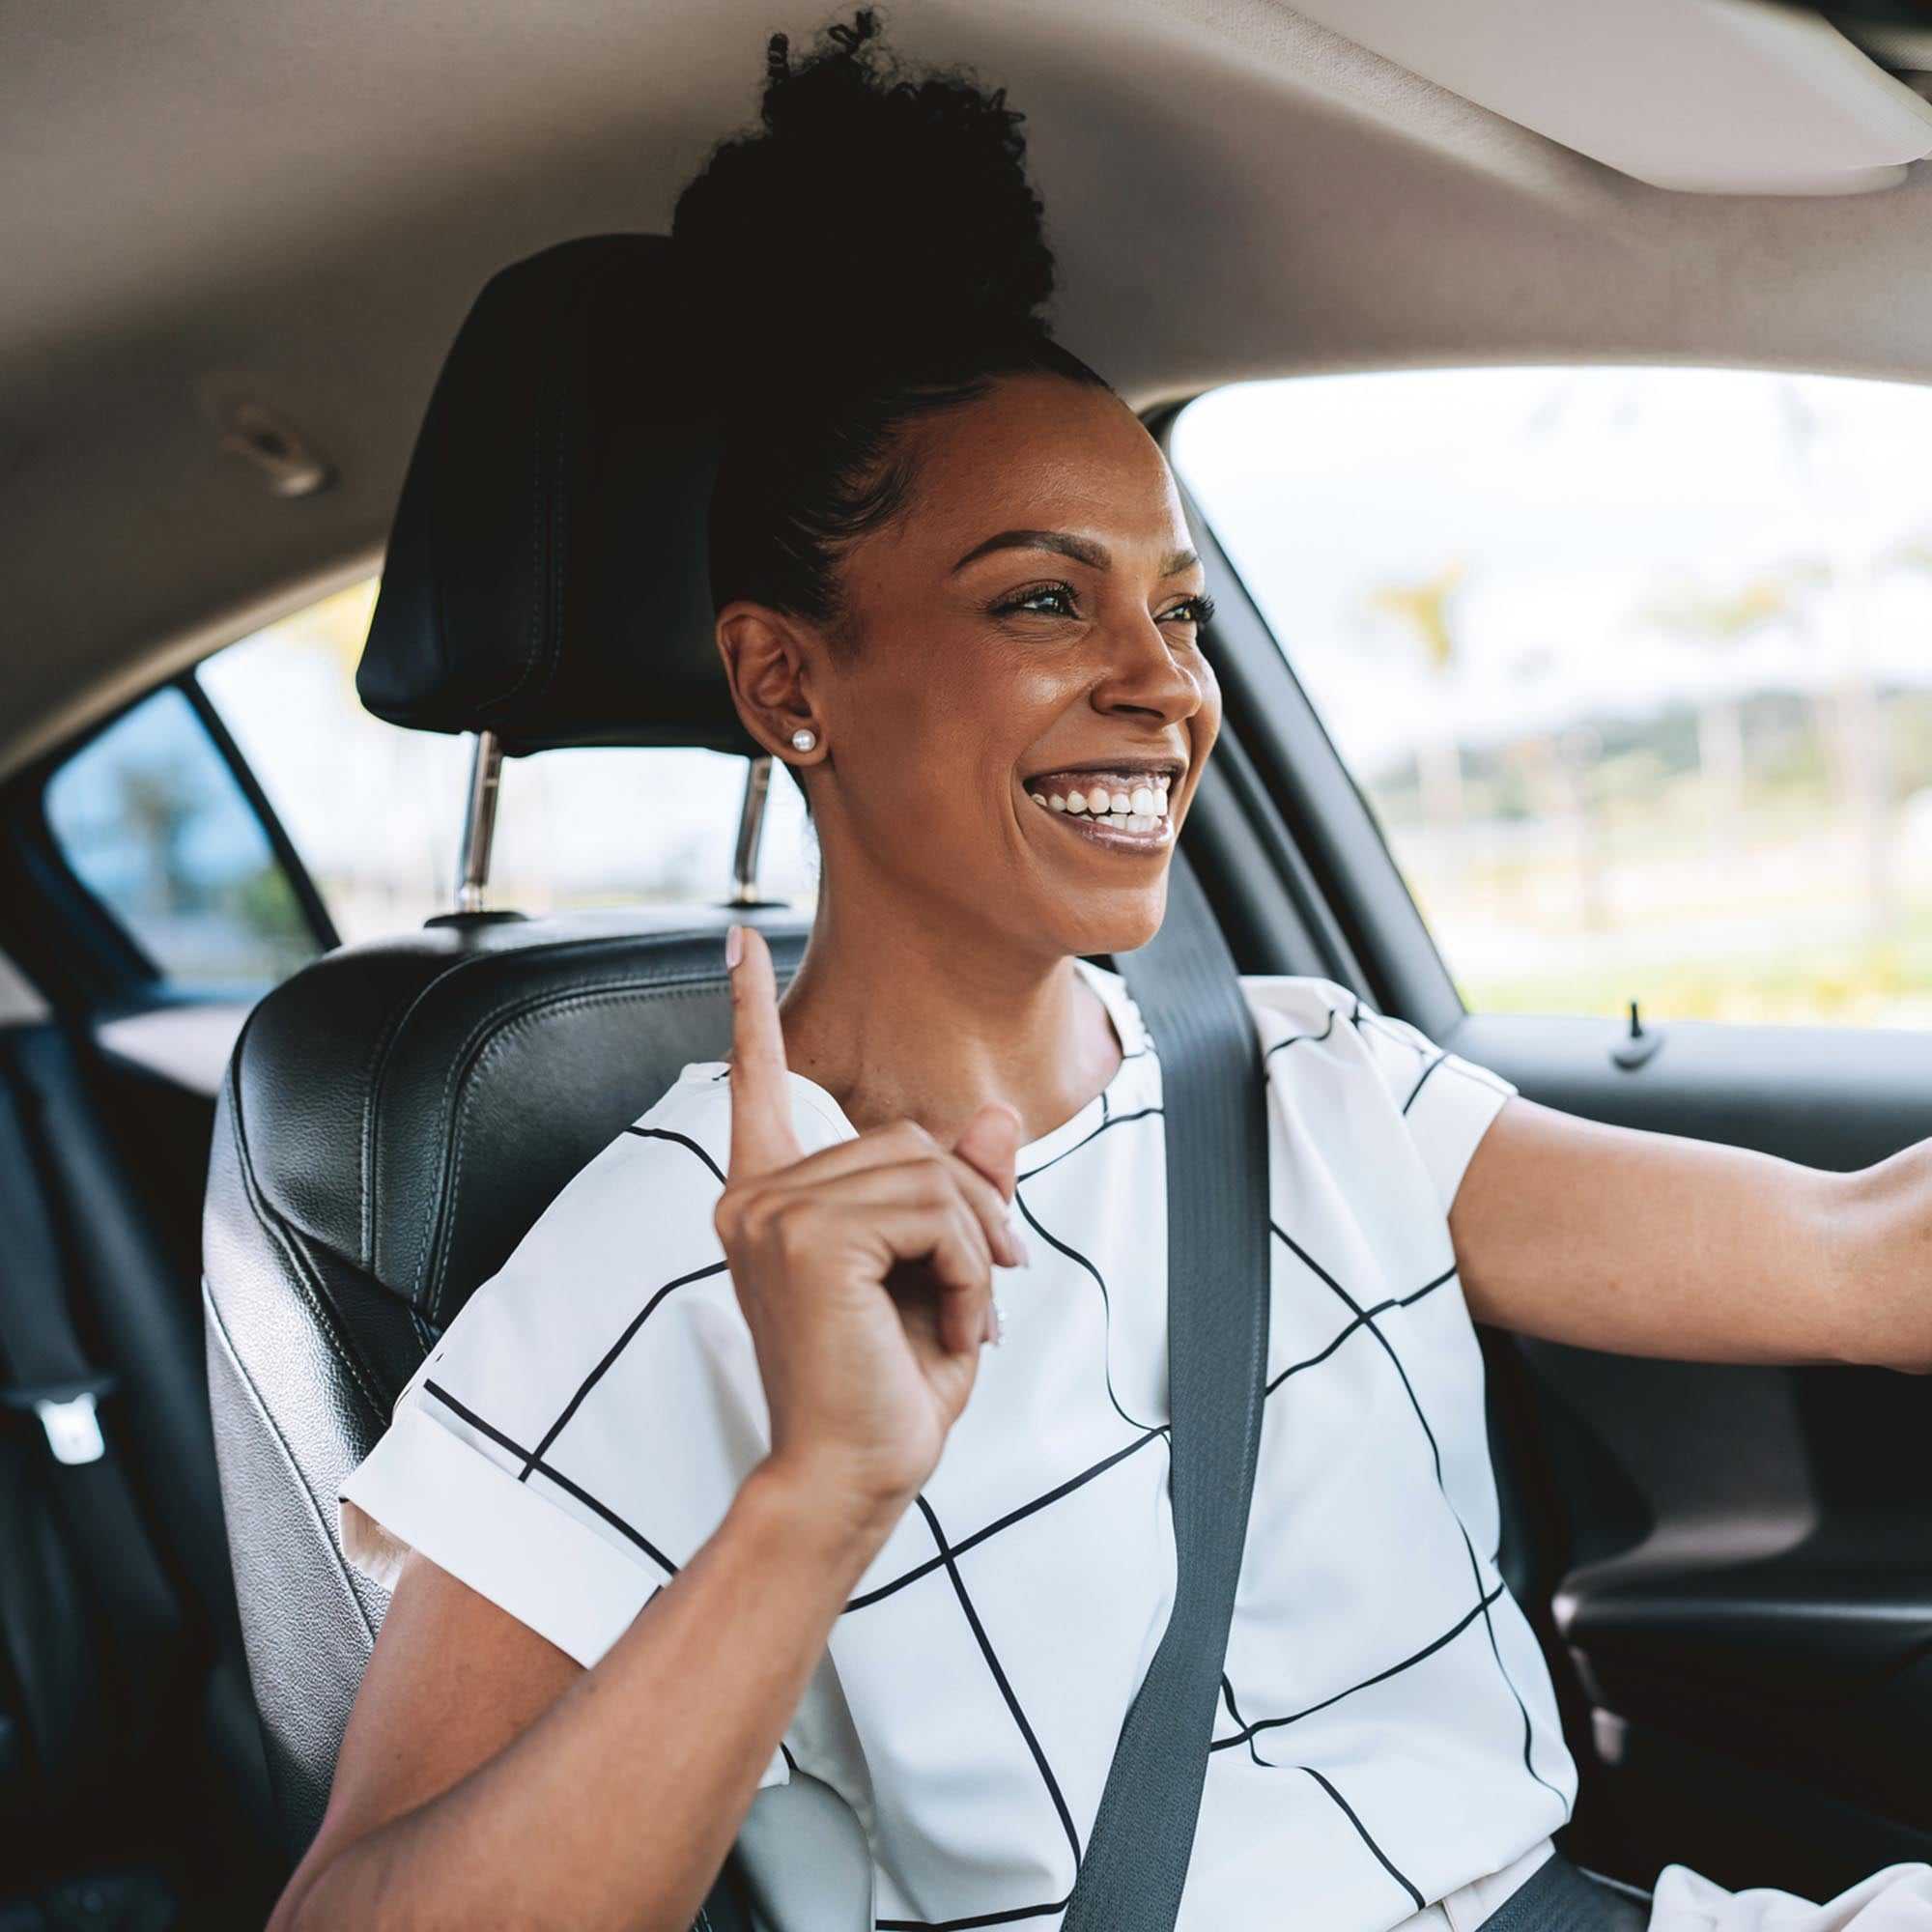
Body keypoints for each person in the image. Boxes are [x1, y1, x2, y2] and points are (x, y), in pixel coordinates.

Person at [267, 14, 1932, 1930]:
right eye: (1044, 599)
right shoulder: (665, 1265)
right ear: (783, 679)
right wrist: (815, 1497)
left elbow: (1861, 1254)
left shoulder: (1317, 1084)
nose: (1162, 684)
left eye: (1178, 606)